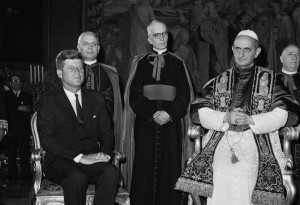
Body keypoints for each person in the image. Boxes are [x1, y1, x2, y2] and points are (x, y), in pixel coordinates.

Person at [175, 30, 299, 205]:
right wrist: (225, 117)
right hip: (222, 137)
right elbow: (200, 111)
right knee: (219, 170)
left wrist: (253, 120)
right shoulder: (218, 81)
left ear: (256, 52)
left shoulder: (272, 81)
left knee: (246, 170)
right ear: (232, 49)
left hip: (257, 138)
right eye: (237, 49)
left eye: (247, 50)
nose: (241, 54)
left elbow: (283, 113)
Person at [122, 20, 194, 205]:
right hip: (146, 123)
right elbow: (134, 94)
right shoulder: (139, 63)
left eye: (164, 34)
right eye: (157, 35)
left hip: (171, 123)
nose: (162, 38)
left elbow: (185, 95)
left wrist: (168, 114)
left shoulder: (178, 63)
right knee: (144, 165)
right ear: (149, 38)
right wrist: (153, 113)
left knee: (170, 166)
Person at [37, 50, 120, 205]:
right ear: (60, 73)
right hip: (59, 160)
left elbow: (107, 132)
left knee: (111, 173)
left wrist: (105, 154)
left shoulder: (96, 98)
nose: (77, 72)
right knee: (76, 177)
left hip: (91, 157)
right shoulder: (48, 101)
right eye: (71, 68)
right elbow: (47, 140)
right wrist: (81, 157)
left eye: (80, 68)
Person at [77, 31, 123, 151]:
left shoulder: (110, 73)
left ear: (98, 48)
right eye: (86, 43)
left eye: (94, 44)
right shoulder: (71, 71)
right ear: (79, 47)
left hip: (102, 128)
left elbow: (111, 103)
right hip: (75, 128)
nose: (90, 47)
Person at [277, 44, 300, 205]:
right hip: (278, 139)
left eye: (298, 55)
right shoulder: (271, 81)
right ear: (281, 59)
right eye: (290, 54)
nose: (295, 57)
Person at [5, 74, 32, 180]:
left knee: (24, 153)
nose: (15, 82)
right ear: (10, 83)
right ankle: (12, 174)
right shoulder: (5, 95)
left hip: (23, 129)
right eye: (13, 80)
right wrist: (18, 107)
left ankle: (25, 173)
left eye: (17, 80)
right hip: (10, 130)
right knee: (11, 153)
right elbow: (5, 109)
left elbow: (28, 110)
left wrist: (13, 108)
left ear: (21, 83)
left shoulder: (27, 96)